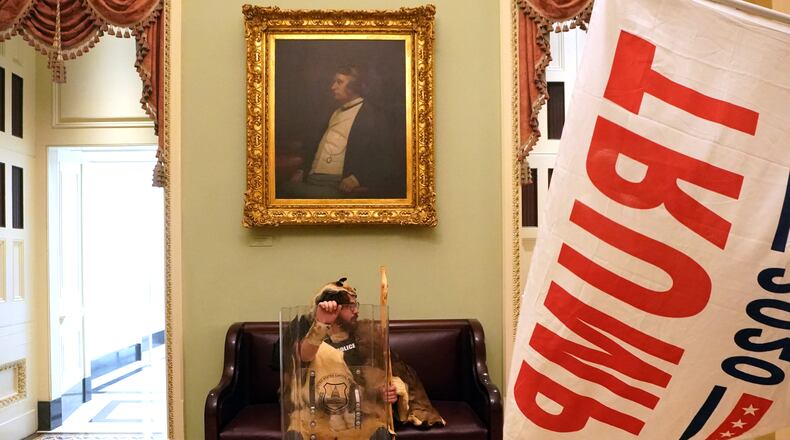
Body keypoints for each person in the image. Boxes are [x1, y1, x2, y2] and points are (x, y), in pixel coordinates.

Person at [278, 278, 445, 440]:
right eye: (350, 306)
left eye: (356, 305)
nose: (356, 311)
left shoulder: (365, 337)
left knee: (379, 433)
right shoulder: (308, 334)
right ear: (335, 307)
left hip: (358, 416)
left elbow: (374, 380)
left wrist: (384, 393)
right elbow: (304, 356)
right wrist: (321, 323)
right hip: (314, 415)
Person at [278, 65, 404, 199]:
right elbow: (314, 146)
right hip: (310, 179)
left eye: (339, 82)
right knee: (283, 188)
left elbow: (387, 160)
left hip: (336, 185)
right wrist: (301, 170)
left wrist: (356, 179)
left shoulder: (373, 116)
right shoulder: (333, 112)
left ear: (354, 86)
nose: (333, 87)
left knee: (283, 191)